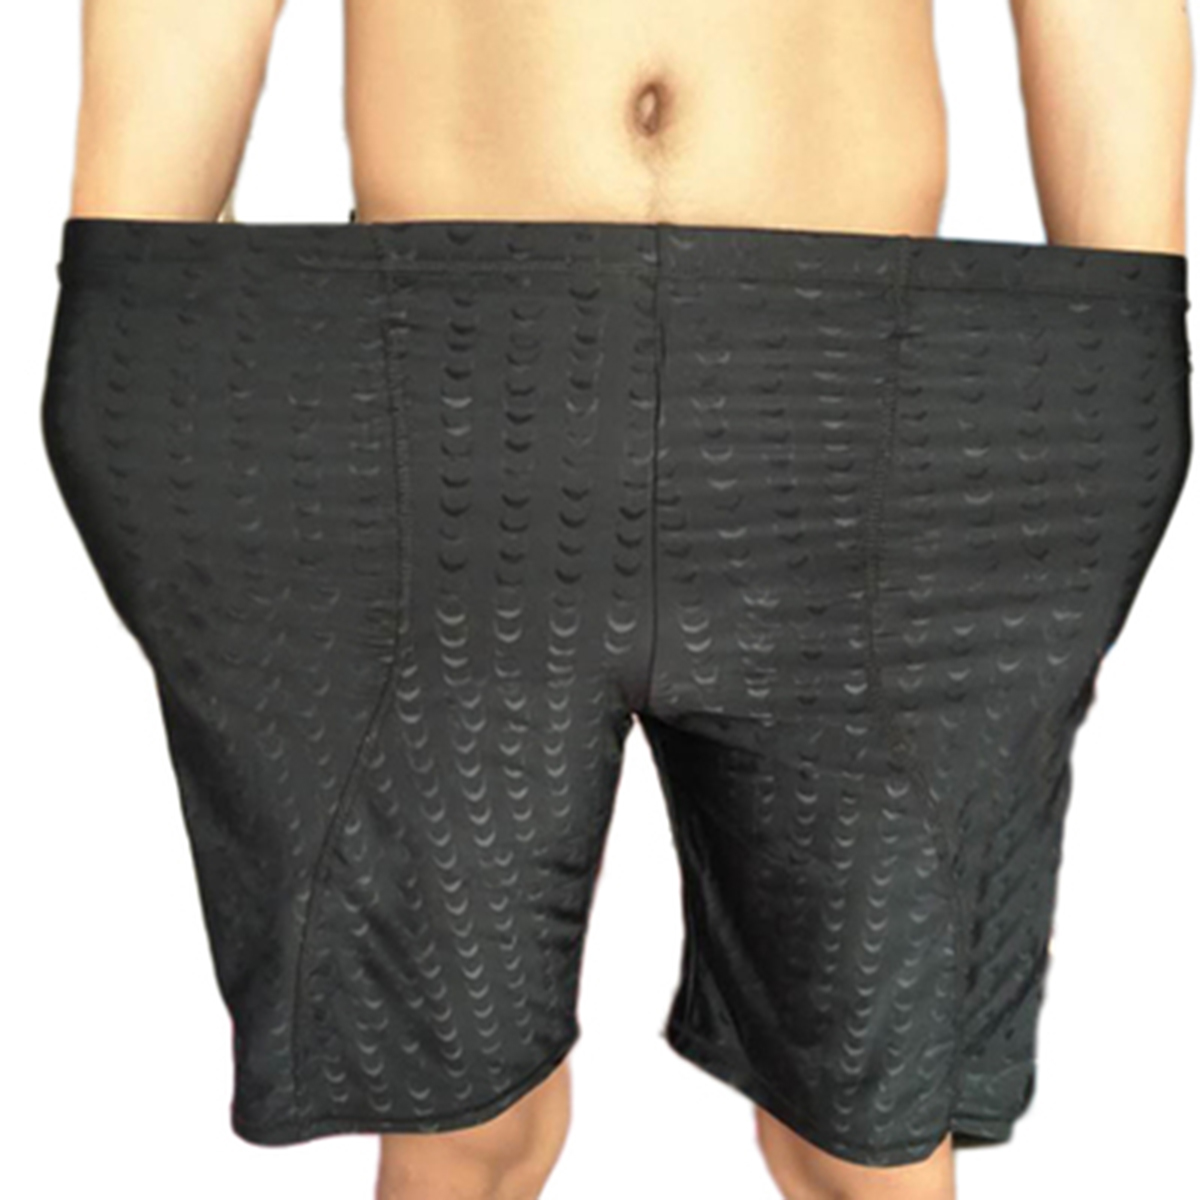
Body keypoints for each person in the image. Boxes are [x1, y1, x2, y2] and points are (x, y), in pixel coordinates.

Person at [44, 3, 1191, 1199]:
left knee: (871, 1143)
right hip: (442, 406)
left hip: (870, 416)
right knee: (459, 1133)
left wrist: (1121, 354)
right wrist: (134, 312)